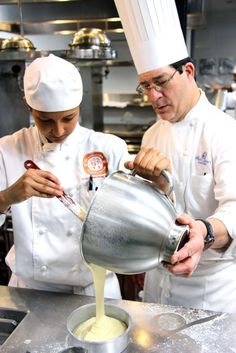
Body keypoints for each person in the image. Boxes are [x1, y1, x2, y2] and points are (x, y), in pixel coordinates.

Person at [116, 0, 236, 313]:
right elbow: (157, 206)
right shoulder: (153, 134)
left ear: (188, 71)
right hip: (160, 285)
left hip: (211, 291)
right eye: (145, 85)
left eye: (160, 82)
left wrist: (204, 232)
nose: (152, 96)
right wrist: (154, 186)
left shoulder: (224, 131)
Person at [0, 54, 130, 298]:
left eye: (68, 118)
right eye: (45, 120)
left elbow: (132, 217)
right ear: (28, 106)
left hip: (93, 289)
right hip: (30, 291)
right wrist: (9, 195)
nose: (58, 130)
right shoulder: (7, 149)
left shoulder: (109, 148)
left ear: (79, 106)